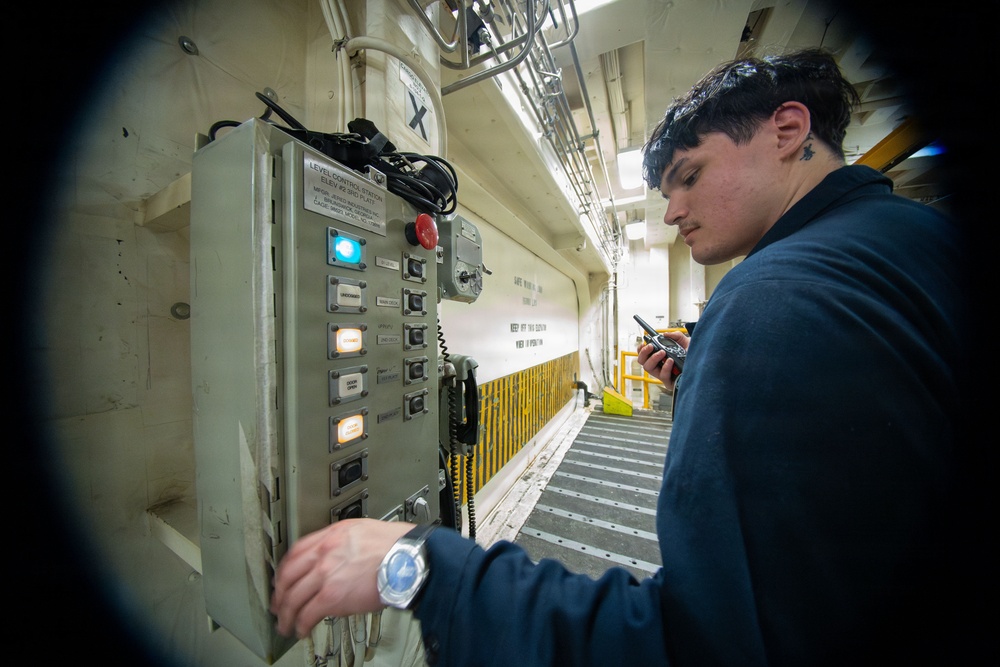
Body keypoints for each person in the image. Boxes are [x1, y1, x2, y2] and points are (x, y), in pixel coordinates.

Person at [270, 48, 978, 665]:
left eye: (689, 175)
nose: (671, 211)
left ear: (788, 130)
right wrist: (703, 373)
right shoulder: (913, 239)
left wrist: (421, 566)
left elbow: (694, 644)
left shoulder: (774, 298)